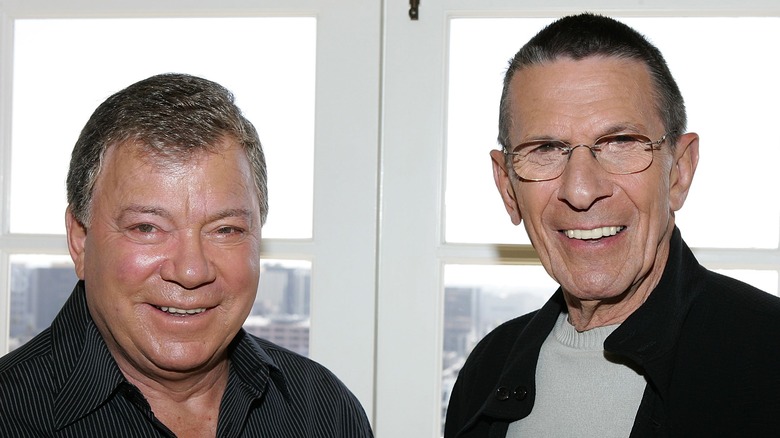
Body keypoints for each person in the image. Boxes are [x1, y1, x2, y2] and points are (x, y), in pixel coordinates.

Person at [444, 13, 780, 438]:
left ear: (679, 172)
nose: (581, 191)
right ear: (508, 187)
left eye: (621, 143)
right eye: (546, 148)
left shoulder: (769, 360)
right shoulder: (487, 368)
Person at [0, 73, 373, 437]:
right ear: (80, 240)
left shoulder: (324, 410)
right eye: (147, 228)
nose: (192, 270)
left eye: (226, 230)